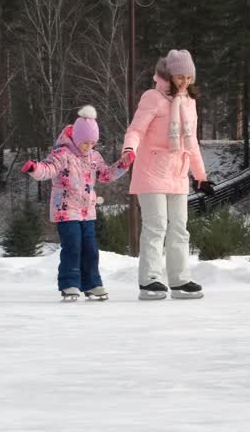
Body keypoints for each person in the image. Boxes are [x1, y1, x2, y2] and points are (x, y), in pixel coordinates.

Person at [119, 50, 216, 300]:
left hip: (177, 172)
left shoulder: (189, 102)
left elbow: (191, 141)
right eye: (179, 76)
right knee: (157, 225)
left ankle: (180, 279)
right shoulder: (153, 97)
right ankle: (150, 279)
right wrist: (129, 149)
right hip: (151, 169)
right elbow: (136, 129)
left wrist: (201, 176)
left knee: (180, 228)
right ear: (169, 75)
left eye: (187, 77)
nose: (183, 81)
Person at [22, 106, 129, 301]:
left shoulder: (94, 157)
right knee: (73, 245)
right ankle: (70, 283)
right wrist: (34, 168)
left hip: (87, 211)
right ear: (77, 138)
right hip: (66, 210)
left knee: (90, 248)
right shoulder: (62, 154)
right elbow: (48, 169)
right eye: (85, 142)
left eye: (92, 143)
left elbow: (105, 175)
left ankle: (92, 283)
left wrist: (123, 164)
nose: (88, 147)